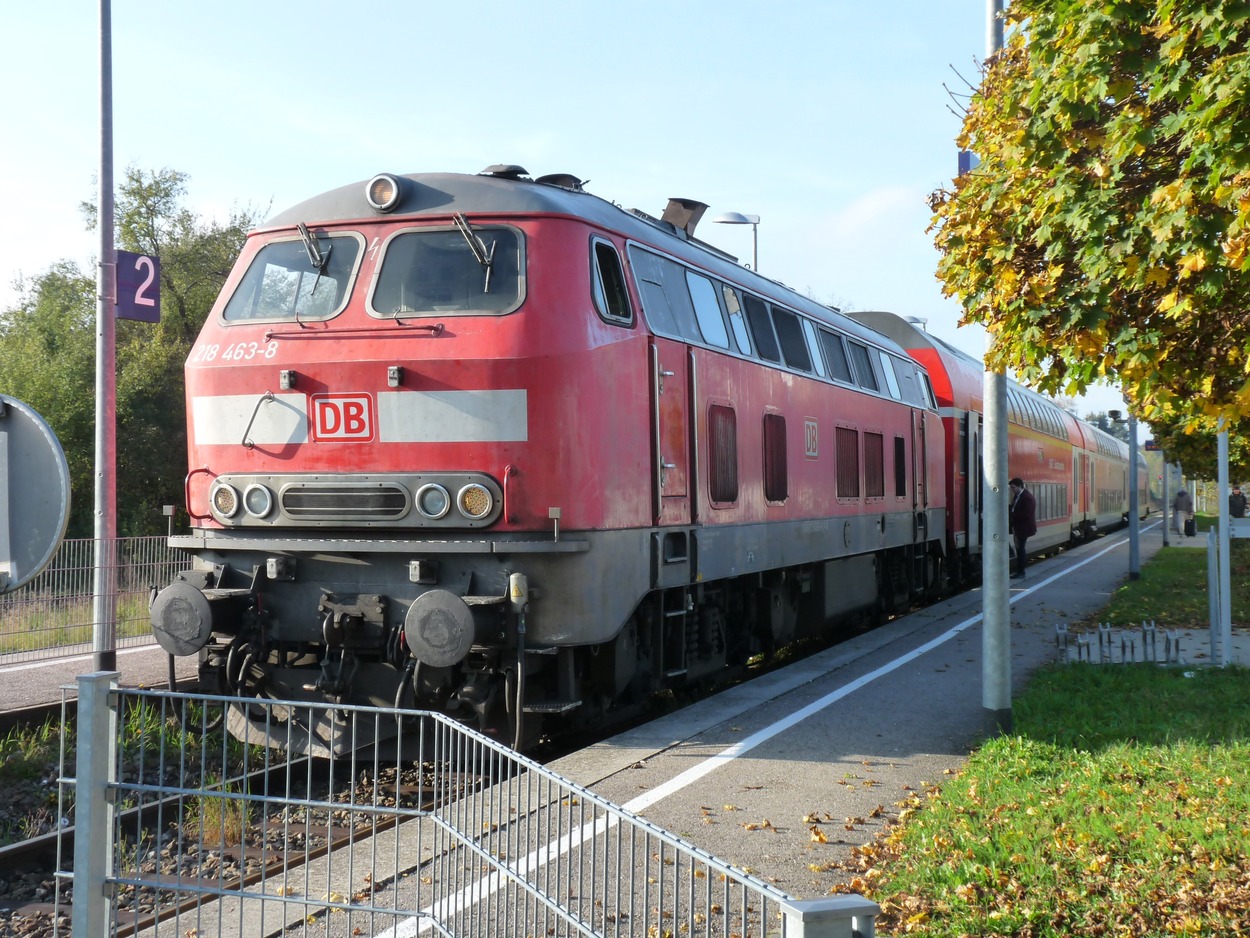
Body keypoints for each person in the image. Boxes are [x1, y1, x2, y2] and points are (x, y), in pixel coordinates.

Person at [1008, 477, 1036, 579]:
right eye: (1011, 488)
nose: (1012, 490)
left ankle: (1021, 572)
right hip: (1018, 527)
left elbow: (1026, 514)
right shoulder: (1018, 496)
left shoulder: (1026, 497)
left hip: (1023, 528)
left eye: (1013, 487)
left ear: (1020, 486)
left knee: (1020, 550)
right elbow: (1013, 508)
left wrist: (1011, 514)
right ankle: (1019, 571)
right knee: (1019, 549)